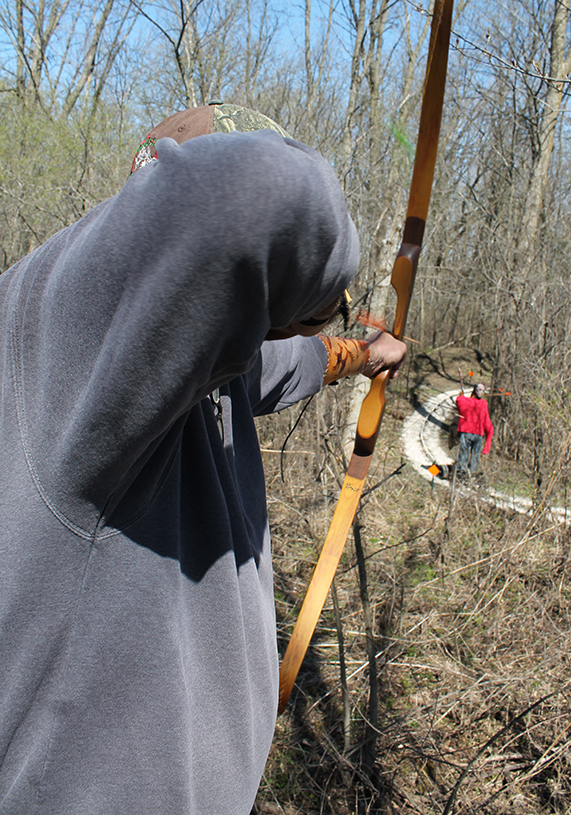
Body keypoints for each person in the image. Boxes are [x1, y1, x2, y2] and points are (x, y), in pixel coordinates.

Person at [0, 103, 406, 815]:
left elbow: (265, 370)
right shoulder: (69, 319)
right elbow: (255, 196)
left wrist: (357, 354)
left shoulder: (171, 376)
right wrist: (316, 301)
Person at [455, 381, 494, 477]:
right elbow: (488, 424)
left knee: (464, 453)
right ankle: (472, 474)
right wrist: (487, 445)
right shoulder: (484, 404)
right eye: (480, 390)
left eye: (483, 390)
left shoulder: (466, 401)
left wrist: (461, 394)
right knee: (475, 456)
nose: (482, 392)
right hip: (478, 434)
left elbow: (459, 400)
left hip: (467, 433)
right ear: (476, 391)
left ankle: (462, 473)